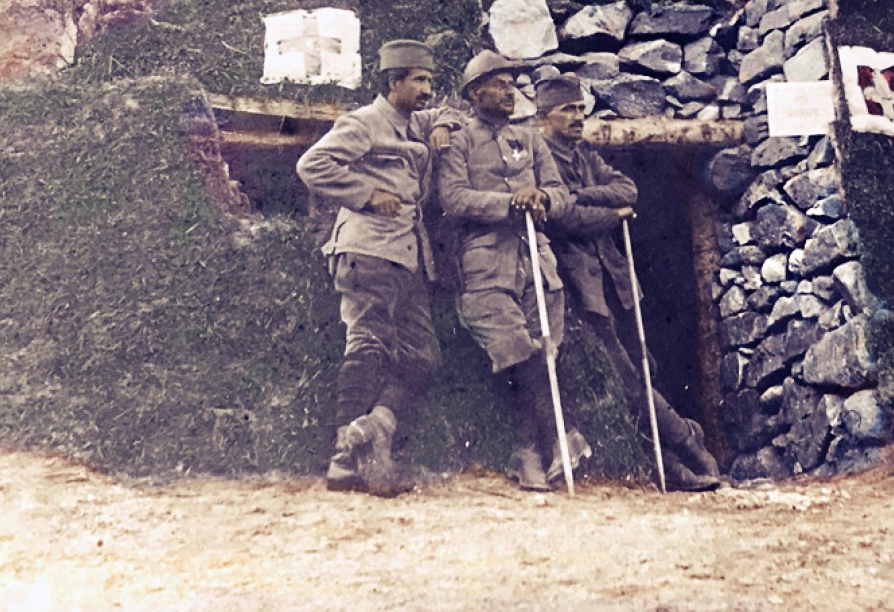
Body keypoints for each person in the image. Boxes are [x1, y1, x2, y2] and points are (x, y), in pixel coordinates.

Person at [535, 75, 721, 491]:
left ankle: (680, 454)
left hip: (613, 279)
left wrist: (583, 196)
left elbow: (628, 188)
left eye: (582, 109)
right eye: (568, 110)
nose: (579, 117)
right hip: (577, 283)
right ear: (544, 115)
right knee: (625, 380)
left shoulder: (585, 154)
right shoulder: (539, 155)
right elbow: (563, 218)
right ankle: (683, 449)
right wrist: (611, 214)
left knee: (640, 369)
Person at [296, 39, 459, 495]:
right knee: (367, 345)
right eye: (420, 81)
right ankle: (343, 461)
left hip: (407, 255)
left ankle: (371, 430)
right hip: (367, 249)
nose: (427, 89)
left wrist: (444, 122)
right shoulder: (365, 122)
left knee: (422, 358)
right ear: (394, 82)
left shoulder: (415, 122)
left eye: (430, 80)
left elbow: (452, 112)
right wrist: (366, 195)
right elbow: (312, 165)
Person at [436, 51, 590, 492]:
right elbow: (453, 198)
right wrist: (508, 202)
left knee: (545, 349)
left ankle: (537, 453)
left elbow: (562, 194)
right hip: (485, 266)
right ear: (474, 93)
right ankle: (554, 442)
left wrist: (541, 196)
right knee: (513, 350)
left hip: (537, 261)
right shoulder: (460, 140)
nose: (509, 92)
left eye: (512, 84)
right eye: (500, 84)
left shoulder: (531, 138)